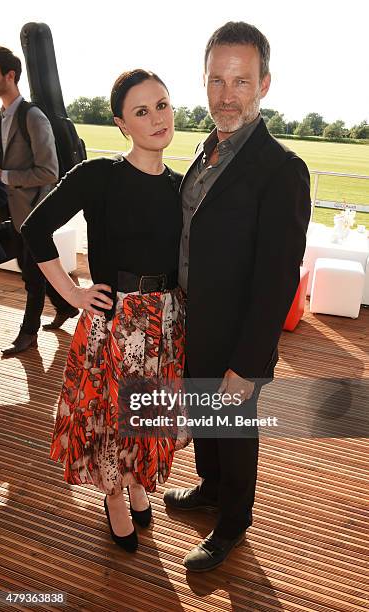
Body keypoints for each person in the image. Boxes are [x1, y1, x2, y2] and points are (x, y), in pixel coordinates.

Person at [21, 69, 190, 552]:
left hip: (165, 322)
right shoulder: (99, 176)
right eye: (142, 111)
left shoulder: (182, 187)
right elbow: (34, 230)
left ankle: (138, 482)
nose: (157, 118)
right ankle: (114, 494)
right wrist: (72, 293)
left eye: (162, 104)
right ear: (122, 124)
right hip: (116, 322)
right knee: (114, 416)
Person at [163, 21, 311, 571]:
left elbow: (278, 277)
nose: (227, 96)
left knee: (233, 423)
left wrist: (247, 364)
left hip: (240, 333)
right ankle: (208, 487)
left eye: (241, 82)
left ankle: (232, 522)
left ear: (265, 84)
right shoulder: (205, 154)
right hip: (194, 320)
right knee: (206, 416)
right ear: (204, 83)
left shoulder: (281, 170)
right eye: (216, 81)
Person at [0, 47, 78, 357]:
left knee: (32, 275)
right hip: (12, 212)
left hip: (33, 212)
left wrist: (6, 176)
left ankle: (27, 335)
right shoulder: (1, 118)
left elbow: (49, 170)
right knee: (30, 266)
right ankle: (67, 307)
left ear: (10, 75)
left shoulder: (32, 116)